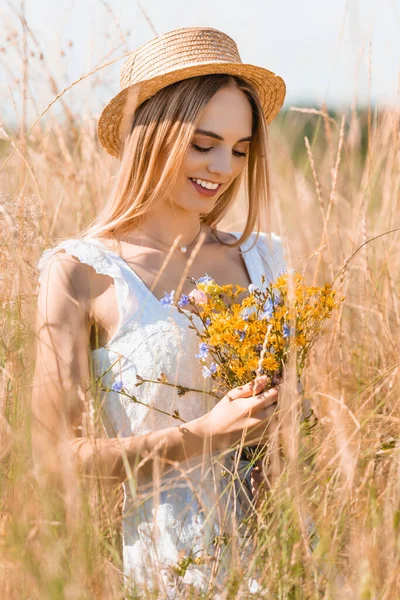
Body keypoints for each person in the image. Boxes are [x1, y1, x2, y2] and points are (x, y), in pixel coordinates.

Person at [32, 26, 287, 597]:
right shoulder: (81, 270)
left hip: (288, 554)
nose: (223, 166)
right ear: (152, 135)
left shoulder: (265, 258)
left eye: (240, 150)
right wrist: (205, 434)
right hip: (172, 569)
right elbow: (54, 459)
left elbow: (299, 425)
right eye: (204, 143)